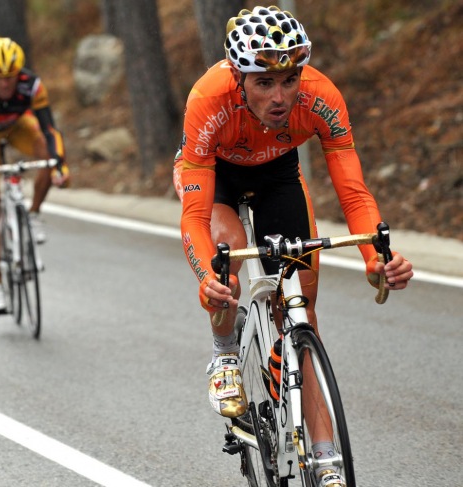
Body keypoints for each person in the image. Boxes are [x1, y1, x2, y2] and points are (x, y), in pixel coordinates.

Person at [173, 6, 413, 487]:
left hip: (279, 175)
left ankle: (326, 461)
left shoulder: (322, 96)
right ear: (240, 77)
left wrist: (375, 258)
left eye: (289, 79)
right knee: (228, 252)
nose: (280, 96)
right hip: (215, 176)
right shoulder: (209, 97)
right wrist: (207, 280)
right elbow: (194, 217)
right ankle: (224, 349)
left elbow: (353, 191)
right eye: (264, 82)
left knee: (302, 309)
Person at [0, 37, 68, 314]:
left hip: (19, 125)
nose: (6, 84)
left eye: (11, 77)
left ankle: (33, 213)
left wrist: (59, 167)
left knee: (45, 150)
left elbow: (50, 130)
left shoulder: (32, 84)